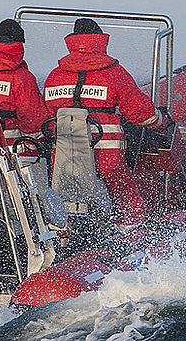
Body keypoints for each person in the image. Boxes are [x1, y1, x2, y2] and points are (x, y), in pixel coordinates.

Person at [43, 18, 168, 226]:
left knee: (63, 202)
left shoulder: (54, 76)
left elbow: (45, 119)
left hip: (65, 156)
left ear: (71, 42)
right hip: (106, 154)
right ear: (101, 40)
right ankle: (129, 238)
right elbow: (141, 113)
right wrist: (161, 121)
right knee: (126, 198)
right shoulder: (114, 73)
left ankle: (61, 244)